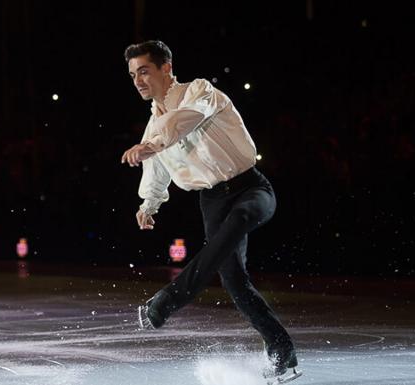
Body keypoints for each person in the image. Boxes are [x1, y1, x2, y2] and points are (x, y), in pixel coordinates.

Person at [120, 40, 299, 377]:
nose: (138, 81)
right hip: (212, 203)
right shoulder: (153, 126)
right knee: (235, 281)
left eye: (144, 71)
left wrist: (152, 144)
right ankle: (281, 349)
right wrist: (150, 203)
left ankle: (169, 299)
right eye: (132, 76)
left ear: (166, 68)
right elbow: (156, 169)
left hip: (251, 188)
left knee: (243, 217)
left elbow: (187, 120)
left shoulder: (200, 92)